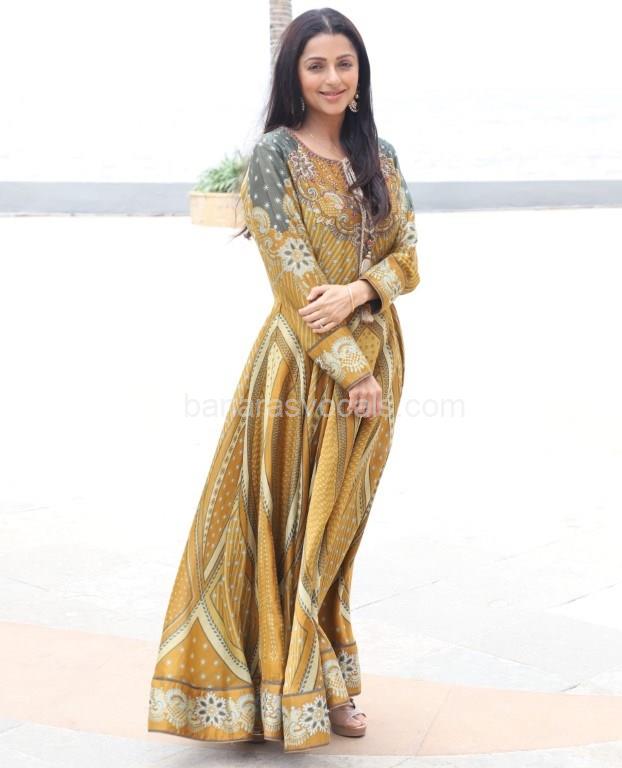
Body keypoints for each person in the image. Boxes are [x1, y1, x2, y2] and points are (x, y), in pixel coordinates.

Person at [147, 7, 420, 754]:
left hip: (381, 363)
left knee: (336, 533)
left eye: (344, 64)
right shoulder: (273, 155)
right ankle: (285, 690)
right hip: (303, 368)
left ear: (360, 72)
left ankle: (324, 680)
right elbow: (290, 273)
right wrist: (351, 369)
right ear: (293, 75)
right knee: (288, 526)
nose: (333, 78)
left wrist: (361, 290)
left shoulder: (380, 155)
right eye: (316, 65)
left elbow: (409, 259)